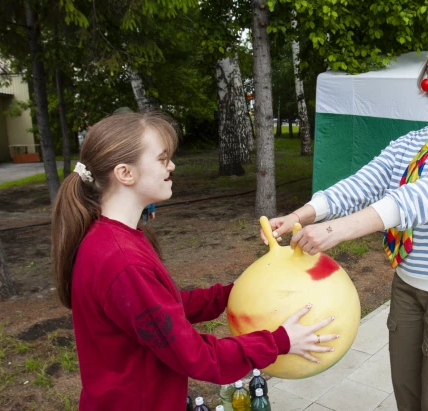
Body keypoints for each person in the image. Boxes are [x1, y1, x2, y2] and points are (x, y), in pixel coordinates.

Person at [263, 36, 428, 411]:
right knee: (408, 394)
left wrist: (336, 230)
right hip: (407, 285)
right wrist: (301, 215)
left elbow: (423, 197)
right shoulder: (411, 142)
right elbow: (361, 184)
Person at [50, 112, 338, 410]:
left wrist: (238, 291)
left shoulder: (114, 238)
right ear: (125, 173)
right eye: (163, 159)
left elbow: (163, 309)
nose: (172, 166)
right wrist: (279, 342)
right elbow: (195, 357)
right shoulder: (122, 261)